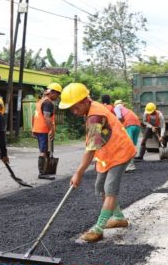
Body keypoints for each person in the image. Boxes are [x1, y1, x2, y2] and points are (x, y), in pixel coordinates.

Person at [58, 83, 136, 243]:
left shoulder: (95, 115)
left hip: (119, 152)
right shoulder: (92, 107)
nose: (74, 111)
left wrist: (78, 172)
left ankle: (98, 229)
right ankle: (119, 218)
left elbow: (91, 149)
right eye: (71, 109)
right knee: (100, 187)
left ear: (84, 100)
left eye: (75, 107)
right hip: (107, 154)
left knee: (110, 189)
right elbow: (94, 144)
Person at [32, 82, 62, 180]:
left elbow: (34, 115)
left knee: (44, 149)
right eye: (57, 94)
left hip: (38, 128)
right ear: (52, 92)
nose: (57, 97)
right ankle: (42, 173)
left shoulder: (41, 101)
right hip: (44, 129)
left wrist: (33, 129)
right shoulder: (48, 102)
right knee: (43, 150)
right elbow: (46, 117)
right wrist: (52, 129)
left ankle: (46, 170)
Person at [114, 99, 141, 172]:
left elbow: (119, 117)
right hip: (137, 126)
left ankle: (130, 166)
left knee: (128, 146)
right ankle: (129, 164)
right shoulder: (128, 110)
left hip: (129, 126)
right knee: (132, 146)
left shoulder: (117, 107)